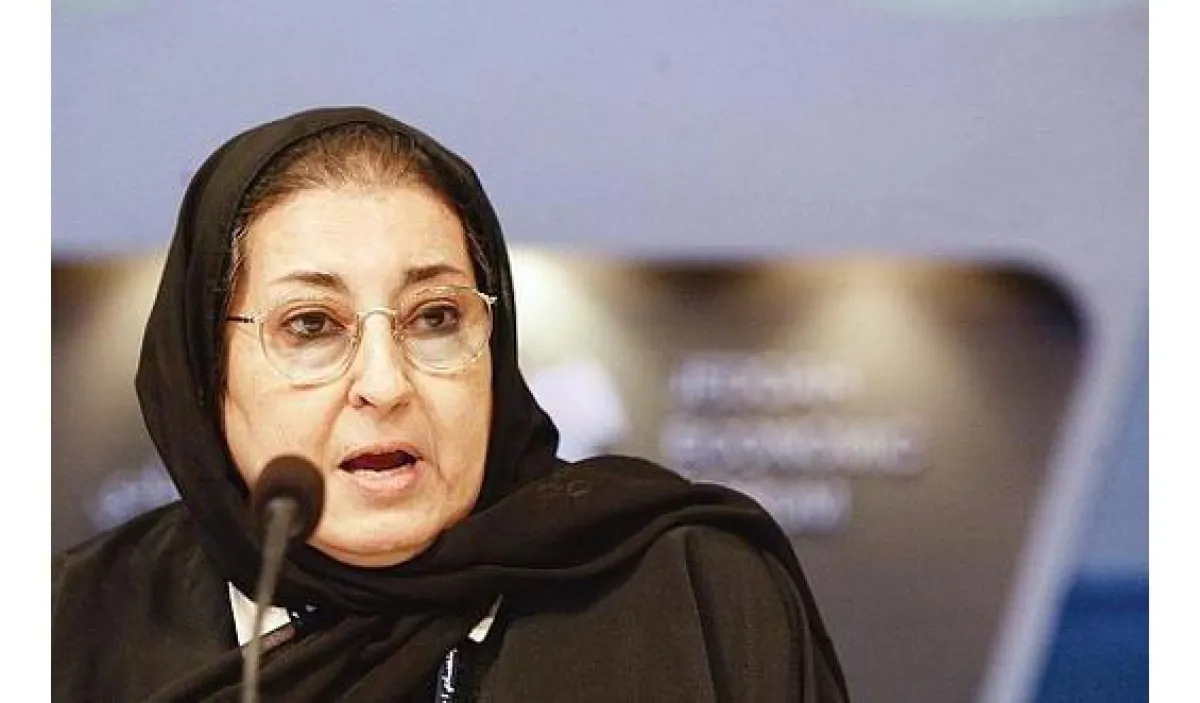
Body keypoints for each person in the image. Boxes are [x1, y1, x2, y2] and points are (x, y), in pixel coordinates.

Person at [52, 106, 849, 702]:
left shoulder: (696, 592)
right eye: (312, 324)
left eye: (434, 317)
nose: (385, 383)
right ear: (206, 368)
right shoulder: (69, 627)